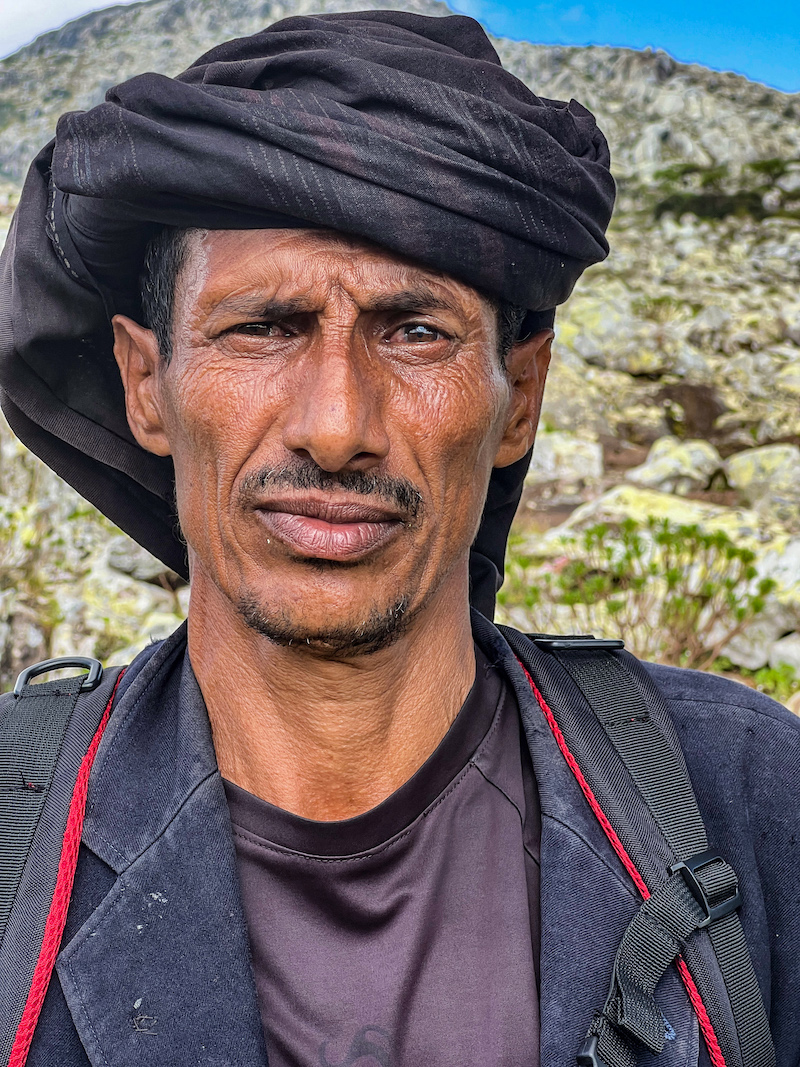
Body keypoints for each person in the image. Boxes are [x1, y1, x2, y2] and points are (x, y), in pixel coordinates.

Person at [0, 11, 798, 1067]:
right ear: (147, 384)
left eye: (414, 330)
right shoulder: (14, 829)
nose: (336, 426)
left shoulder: (744, 790)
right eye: (264, 327)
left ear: (519, 399)